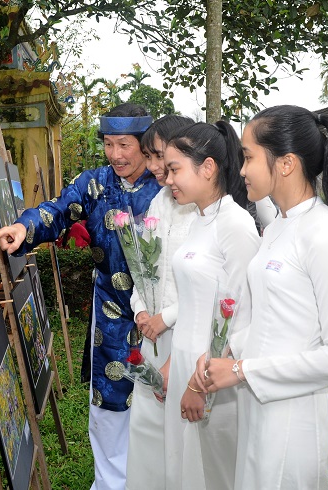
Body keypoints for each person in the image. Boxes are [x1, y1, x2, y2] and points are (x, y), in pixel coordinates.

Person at [0, 103, 160, 490]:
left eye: (125, 145)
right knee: (110, 404)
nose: (116, 154)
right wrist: (22, 227)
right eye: (110, 144)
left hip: (165, 317)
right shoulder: (94, 183)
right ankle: (111, 483)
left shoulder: (168, 185)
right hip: (113, 312)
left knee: (161, 399)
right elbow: (58, 211)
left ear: (146, 145)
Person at [198, 105, 328, 489]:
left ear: (286, 163)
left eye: (249, 157)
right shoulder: (278, 228)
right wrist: (223, 353)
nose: (240, 170)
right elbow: (271, 320)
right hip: (259, 408)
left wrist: (241, 371)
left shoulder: (324, 234)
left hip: (294, 419)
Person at [161, 121, 260, 489]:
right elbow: (195, 301)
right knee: (184, 466)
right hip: (187, 361)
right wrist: (174, 362)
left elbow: (242, 316)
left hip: (214, 373)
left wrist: (200, 383)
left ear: (207, 167)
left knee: (214, 472)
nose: (167, 179)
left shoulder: (235, 225)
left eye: (174, 169)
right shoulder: (199, 220)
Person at [126, 115, 197, 490]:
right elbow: (143, 266)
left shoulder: (205, 210)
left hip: (187, 335)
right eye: (152, 157)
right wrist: (141, 308)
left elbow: (211, 289)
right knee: (148, 430)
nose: (153, 166)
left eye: (159, 157)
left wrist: (167, 317)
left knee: (183, 438)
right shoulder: (157, 202)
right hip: (151, 334)